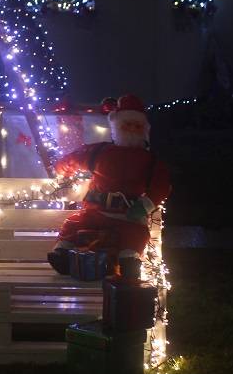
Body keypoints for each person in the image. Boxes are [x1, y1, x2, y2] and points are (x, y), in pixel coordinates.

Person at [48, 95, 172, 277]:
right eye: (127, 125)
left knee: (136, 234)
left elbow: (161, 185)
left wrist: (145, 206)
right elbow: (76, 158)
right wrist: (61, 167)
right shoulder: (100, 152)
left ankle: (128, 262)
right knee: (74, 223)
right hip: (95, 212)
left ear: (143, 130)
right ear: (117, 126)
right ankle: (63, 254)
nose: (131, 129)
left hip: (127, 216)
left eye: (136, 126)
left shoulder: (150, 161)